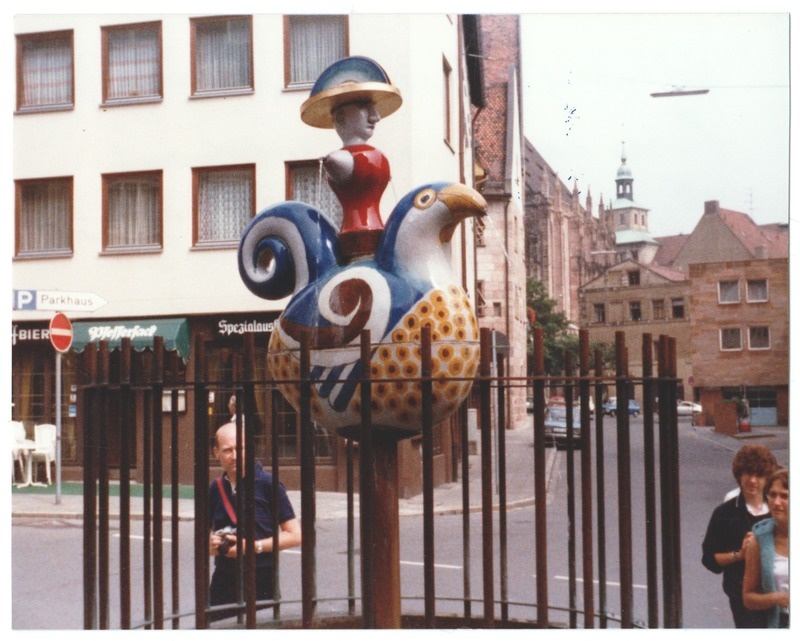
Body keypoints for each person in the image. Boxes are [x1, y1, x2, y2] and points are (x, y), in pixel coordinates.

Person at [208, 422, 301, 620]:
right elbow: (204, 537)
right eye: (227, 450)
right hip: (224, 577)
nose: (234, 456)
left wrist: (252, 546)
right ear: (216, 452)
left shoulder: (268, 484)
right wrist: (211, 545)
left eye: (239, 448)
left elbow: (295, 535)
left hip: (261, 576)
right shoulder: (215, 489)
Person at [701, 444, 777, 627]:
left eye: (759, 475)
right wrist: (739, 554)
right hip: (743, 598)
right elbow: (710, 559)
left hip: (780, 595)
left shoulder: (779, 509)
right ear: (739, 475)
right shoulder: (725, 513)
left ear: (767, 477)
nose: (752, 480)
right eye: (747, 474)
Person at [742, 467, 789, 628]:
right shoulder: (759, 541)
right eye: (772, 495)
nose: (776, 502)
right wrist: (778, 598)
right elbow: (748, 598)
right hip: (779, 624)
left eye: (785, 496)